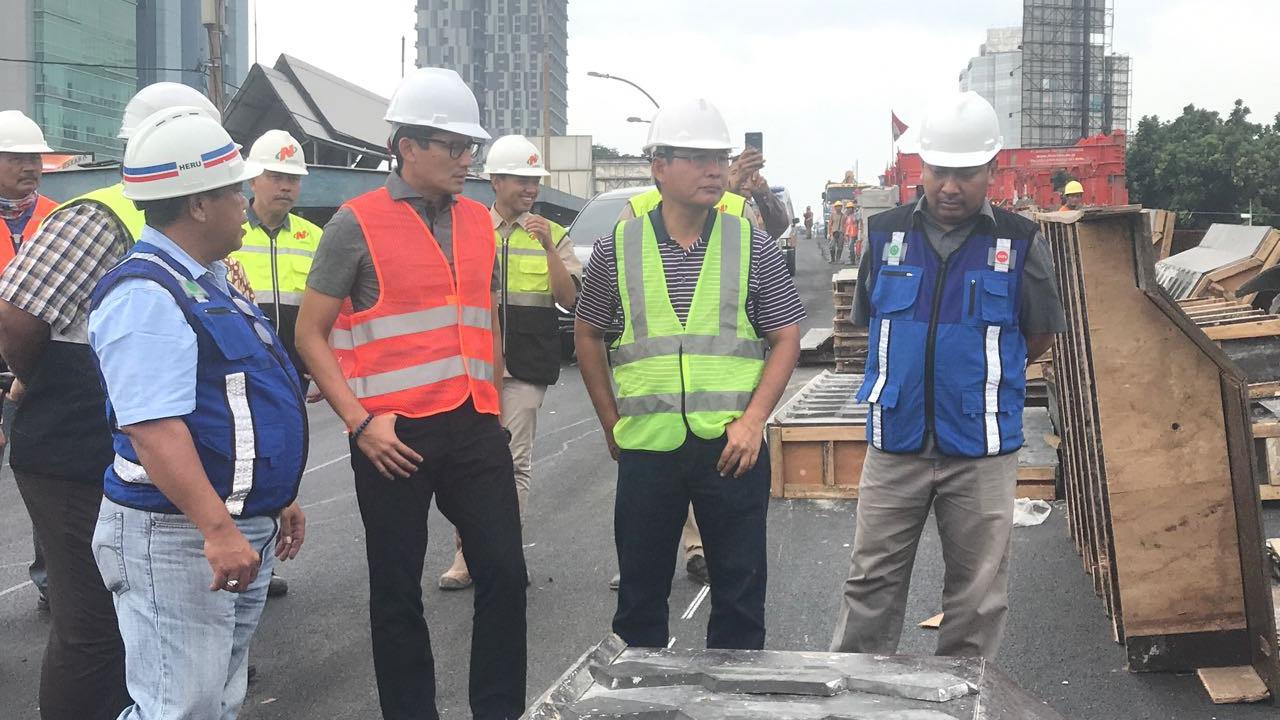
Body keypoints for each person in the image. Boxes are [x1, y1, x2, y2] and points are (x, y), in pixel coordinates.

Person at [295, 67, 525, 720]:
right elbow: (311, 335)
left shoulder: (481, 222)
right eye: (452, 146)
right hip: (392, 436)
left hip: (476, 424)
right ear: (408, 147)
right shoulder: (354, 225)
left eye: (469, 147)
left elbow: (485, 322)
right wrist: (359, 422)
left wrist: (498, 411)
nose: (466, 158)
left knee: (505, 574)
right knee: (397, 593)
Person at [0, 81, 220, 720]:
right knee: (92, 621)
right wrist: (45, 385)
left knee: (131, 616)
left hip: (119, 445)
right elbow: (16, 321)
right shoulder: (101, 217)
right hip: (70, 445)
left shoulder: (188, 224)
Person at [86, 106, 307, 719]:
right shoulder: (146, 293)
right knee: (178, 706)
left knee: (212, 698)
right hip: (176, 535)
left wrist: (273, 494)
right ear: (198, 205)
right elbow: (153, 429)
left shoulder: (206, 280)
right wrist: (216, 528)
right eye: (233, 190)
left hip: (231, 524)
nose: (246, 201)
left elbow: (236, 397)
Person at [830, 91, 1066, 660]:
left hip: (980, 447)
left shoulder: (1018, 241)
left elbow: (1039, 334)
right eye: (939, 171)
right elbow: (869, 319)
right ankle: (859, 698)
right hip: (897, 442)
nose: (950, 186)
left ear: (990, 169)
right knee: (870, 584)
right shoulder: (884, 234)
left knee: (977, 597)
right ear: (923, 168)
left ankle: (962, 698)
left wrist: (979, 380)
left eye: (965, 173)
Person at [575, 98, 803, 650]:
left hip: (732, 445)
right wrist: (611, 423)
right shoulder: (617, 248)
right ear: (658, 167)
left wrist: (753, 421)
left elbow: (787, 336)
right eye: (696, 158)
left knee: (741, 598)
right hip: (648, 447)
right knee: (639, 602)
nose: (713, 170)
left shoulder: (751, 244)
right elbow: (587, 332)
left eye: (718, 158)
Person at [438, 134, 581, 590]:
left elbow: (569, 297)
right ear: (495, 180)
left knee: (513, 461)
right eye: (522, 179)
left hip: (525, 364)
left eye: (535, 181)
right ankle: (467, 553)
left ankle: (496, 551)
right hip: (470, 364)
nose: (531, 189)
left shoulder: (553, 233)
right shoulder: (468, 226)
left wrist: (545, 248)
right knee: (468, 462)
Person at [0, 108, 57, 610]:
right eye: (17, 157)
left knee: (51, 483)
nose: (30, 166)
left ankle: (52, 582)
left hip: (42, 370)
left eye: (34, 157)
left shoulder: (59, 219)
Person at [232, 129, 323, 391]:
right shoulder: (229, 234)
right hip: (242, 368)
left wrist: (324, 365)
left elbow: (332, 312)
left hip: (296, 370)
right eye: (275, 177)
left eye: (293, 178)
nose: (285, 186)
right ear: (252, 181)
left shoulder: (315, 237)